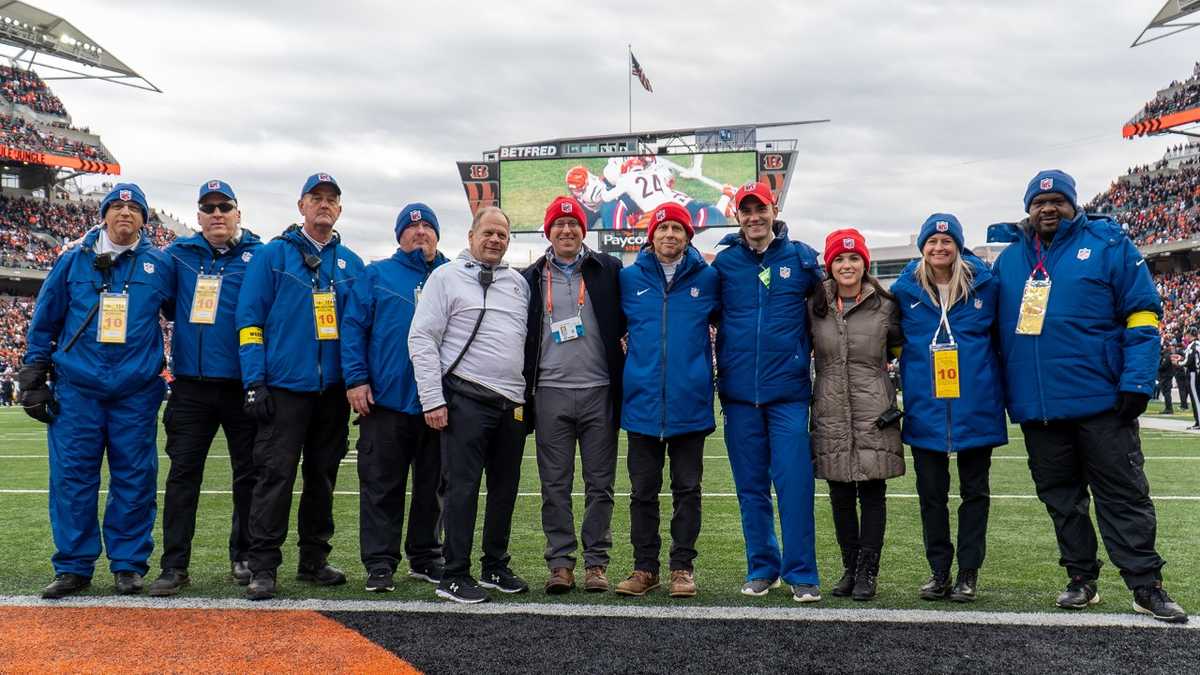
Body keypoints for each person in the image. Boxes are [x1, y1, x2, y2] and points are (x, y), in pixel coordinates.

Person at [988, 169, 1187, 623]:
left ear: (1074, 205)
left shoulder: (1108, 244)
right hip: (1039, 406)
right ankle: (1081, 578)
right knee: (1061, 499)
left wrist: (1137, 382)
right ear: (1028, 210)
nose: (1048, 208)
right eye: (1039, 203)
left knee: (1123, 496)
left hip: (1101, 401)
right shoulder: (1010, 261)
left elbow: (1142, 314)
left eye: (1057, 200)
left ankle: (1146, 586)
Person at [21, 183, 175, 598]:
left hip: (136, 391)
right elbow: (46, 319)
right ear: (104, 213)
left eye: (134, 208)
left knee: (135, 479)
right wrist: (34, 373)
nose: (125, 212)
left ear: (144, 218)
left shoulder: (160, 266)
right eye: (117, 206)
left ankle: (128, 564)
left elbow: (186, 315)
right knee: (72, 479)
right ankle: (73, 565)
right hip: (78, 390)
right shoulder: (72, 260)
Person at [236, 173, 365, 600]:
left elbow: (360, 329)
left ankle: (313, 559)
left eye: (331, 200)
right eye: (316, 199)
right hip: (285, 388)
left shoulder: (350, 263)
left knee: (322, 478)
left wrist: (357, 381)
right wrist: (255, 380)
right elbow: (249, 323)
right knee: (274, 477)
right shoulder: (273, 256)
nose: (324, 205)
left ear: (340, 210)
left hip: (332, 392)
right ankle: (263, 566)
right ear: (301, 206)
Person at [409, 206, 531, 604]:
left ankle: (495, 565)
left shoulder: (517, 283)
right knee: (461, 489)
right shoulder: (444, 277)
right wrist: (433, 398)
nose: (495, 240)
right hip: (466, 397)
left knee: (504, 489)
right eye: (488, 233)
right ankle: (455, 574)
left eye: (502, 234)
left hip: (511, 403)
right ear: (471, 236)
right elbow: (422, 338)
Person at [711, 181, 825, 602]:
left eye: (761, 209)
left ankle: (802, 572)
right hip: (739, 395)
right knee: (750, 487)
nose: (754, 217)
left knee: (794, 485)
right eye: (746, 210)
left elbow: (834, 306)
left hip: (789, 394)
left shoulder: (802, 259)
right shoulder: (724, 266)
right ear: (737, 216)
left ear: (774, 210)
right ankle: (763, 566)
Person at [148, 180, 263, 597]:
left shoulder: (260, 255)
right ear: (198, 216)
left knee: (248, 476)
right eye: (208, 207)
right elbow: (155, 301)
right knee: (182, 478)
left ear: (238, 213)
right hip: (191, 387)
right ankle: (175, 564)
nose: (217, 214)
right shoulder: (176, 255)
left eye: (224, 206)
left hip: (240, 385)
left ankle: (245, 554)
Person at [891, 214, 1006, 603]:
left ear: (958, 246)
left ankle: (968, 572)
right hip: (927, 407)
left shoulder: (986, 286)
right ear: (922, 248)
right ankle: (939, 571)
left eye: (947, 242)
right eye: (932, 243)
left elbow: (1003, 340)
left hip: (976, 405)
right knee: (931, 495)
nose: (939, 248)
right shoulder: (905, 290)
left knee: (976, 493)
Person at [340, 203, 449, 593]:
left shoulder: (453, 274)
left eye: (427, 227)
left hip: (438, 402)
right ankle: (380, 562)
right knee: (381, 486)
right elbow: (353, 328)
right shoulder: (377, 275)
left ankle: (425, 555)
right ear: (399, 236)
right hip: (386, 401)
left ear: (438, 234)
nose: (420, 233)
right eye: (412, 228)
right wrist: (356, 379)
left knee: (433, 486)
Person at [613, 203, 719, 599]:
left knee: (687, 491)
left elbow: (733, 325)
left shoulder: (709, 279)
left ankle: (682, 568)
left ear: (688, 236)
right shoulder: (628, 279)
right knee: (642, 493)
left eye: (678, 228)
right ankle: (645, 568)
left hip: (689, 404)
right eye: (663, 228)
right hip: (641, 404)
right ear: (651, 236)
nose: (670, 235)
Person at [521, 196, 624, 595]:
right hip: (550, 392)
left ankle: (596, 563)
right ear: (548, 231)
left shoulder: (608, 269)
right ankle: (560, 562)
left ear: (584, 230)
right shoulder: (530, 277)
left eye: (573, 223)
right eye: (559, 224)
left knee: (601, 485)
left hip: (599, 389)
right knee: (554, 484)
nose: (567, 230)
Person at [808, 228, 903, 602]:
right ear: (829, 265)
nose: (847, 265)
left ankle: (868, 571)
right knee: (840, 493)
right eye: (839, 259)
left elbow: (900, 354)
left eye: (853, 258)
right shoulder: (814, 307)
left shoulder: (887, 306)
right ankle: (849, 567)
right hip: (831, 405)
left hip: (873, 408)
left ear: (864, 263)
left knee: (873, 491)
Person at [1184, 334, 1200, 429]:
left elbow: (1188, 361)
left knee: (1196, 400)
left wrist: (1178, 362)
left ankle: (1198, 422)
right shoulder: (1197, 344)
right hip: (1196, 373)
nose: (1185, 337)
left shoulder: (1193, 345)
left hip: (1193, 374)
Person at [1156, 342, 1177, 415]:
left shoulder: (1167, 356)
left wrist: (1156, 368)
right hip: (1167, 375)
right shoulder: (1168, 355)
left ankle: (1169, 409)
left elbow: (1163, 366)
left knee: (1166, 393)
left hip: (1166, 376)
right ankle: (1168, 408)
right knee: (1166, 393)